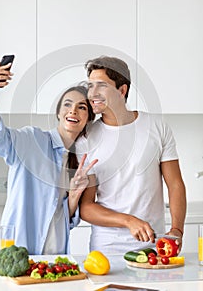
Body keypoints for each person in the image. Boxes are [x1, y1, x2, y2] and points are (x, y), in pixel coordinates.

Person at [0, 61, 97, 255]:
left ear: (88, 118)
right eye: (67, 104)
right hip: (20, 248)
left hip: (55, 253)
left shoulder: (78, 162)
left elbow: (63, 216)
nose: (73, 111)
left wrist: (75, 196)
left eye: (82, 107)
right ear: (59, 112)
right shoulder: (31, 140)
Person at [78, 55, 186, 254]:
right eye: (90, 86)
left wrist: (177, 229)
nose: (92, 93)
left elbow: (175, 184)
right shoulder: (86, 138)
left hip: (154, 244)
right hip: (107, 249)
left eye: (100, 85)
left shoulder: (156, 127)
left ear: (122, 90)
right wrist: (128, 221)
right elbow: (86, 207)